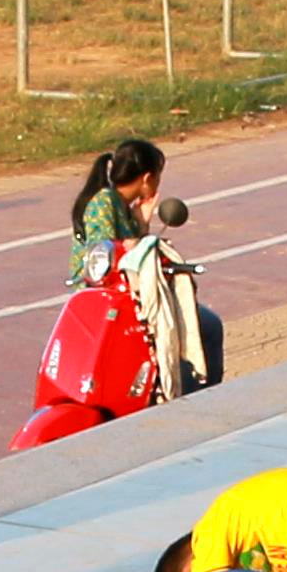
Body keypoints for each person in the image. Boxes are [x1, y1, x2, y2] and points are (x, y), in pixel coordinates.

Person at [64, 133, 226, 387]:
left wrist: (142, 222)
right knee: (203, 326)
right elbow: (106, 254)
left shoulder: (121, 206)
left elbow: (133, 256)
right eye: (158, 177)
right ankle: (193, 393)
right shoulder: (104, 203)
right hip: (105, 299)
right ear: (147, 178)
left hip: (129, 293)